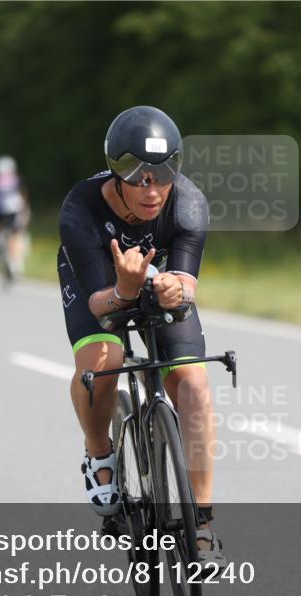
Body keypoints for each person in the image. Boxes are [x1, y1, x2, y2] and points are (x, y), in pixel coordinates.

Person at [57, 105, 224, 563]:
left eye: (164, 171)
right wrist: (125, 289)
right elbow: (99, 304)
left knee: (194, 387)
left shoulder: (188, 203)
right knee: (105, 362)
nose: (151, 188)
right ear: (116, 171)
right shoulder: (82, 206)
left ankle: (204, 524)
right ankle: (99, 454)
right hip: (98, 281)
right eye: (136, 174)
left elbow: (188, 282)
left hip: (159, 280)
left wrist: (174, 289)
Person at [0, 155, 30, 279]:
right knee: (15, 234)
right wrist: (24, 211)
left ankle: (4, 254)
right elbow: (24, 195)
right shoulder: (17, 179)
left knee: (1, 236)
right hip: (14, 210)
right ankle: (14, 262)